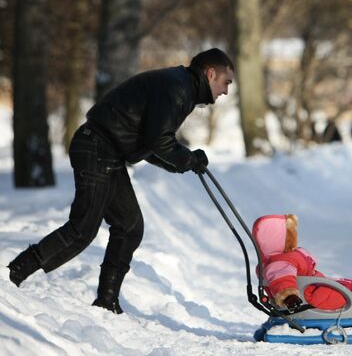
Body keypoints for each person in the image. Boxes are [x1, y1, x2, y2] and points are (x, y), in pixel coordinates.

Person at [7, 48, 235, 314]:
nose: (226, 91)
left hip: (106, 151)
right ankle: (14, 272)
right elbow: (159, 140)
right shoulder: (178, 88)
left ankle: (106, 301)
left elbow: (150, 138)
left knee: (129, 226)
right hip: (97, 147)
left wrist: (180, 164)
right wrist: (186, 159)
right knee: (82, 228)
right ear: (210, 73)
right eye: (226, 82)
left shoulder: (180, 85)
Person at [252, 214, 352, 311]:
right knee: (345, 292)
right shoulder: (279, 262)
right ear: (277, 239)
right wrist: (290, 297)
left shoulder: (281, 257)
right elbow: (282, 280)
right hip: (310, 297)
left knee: (343, 283)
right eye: (290, 235)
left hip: (314, 287)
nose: (294, 238)